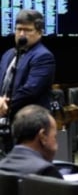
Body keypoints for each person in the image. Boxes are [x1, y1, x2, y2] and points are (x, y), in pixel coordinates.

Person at [0, 105, 78, 193]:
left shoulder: (3, 166)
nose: (56, 144)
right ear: (42, 136)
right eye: (54, 137)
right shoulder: (45, 172)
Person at [0, 9, 55, 152]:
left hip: (30, 127)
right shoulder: (8, 55)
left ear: (39, 32)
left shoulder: (43, 56)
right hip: (7, 124)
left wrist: (5, 104)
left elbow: (31, 90)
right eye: (19, 29)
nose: (22, 34)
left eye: (27, 30)